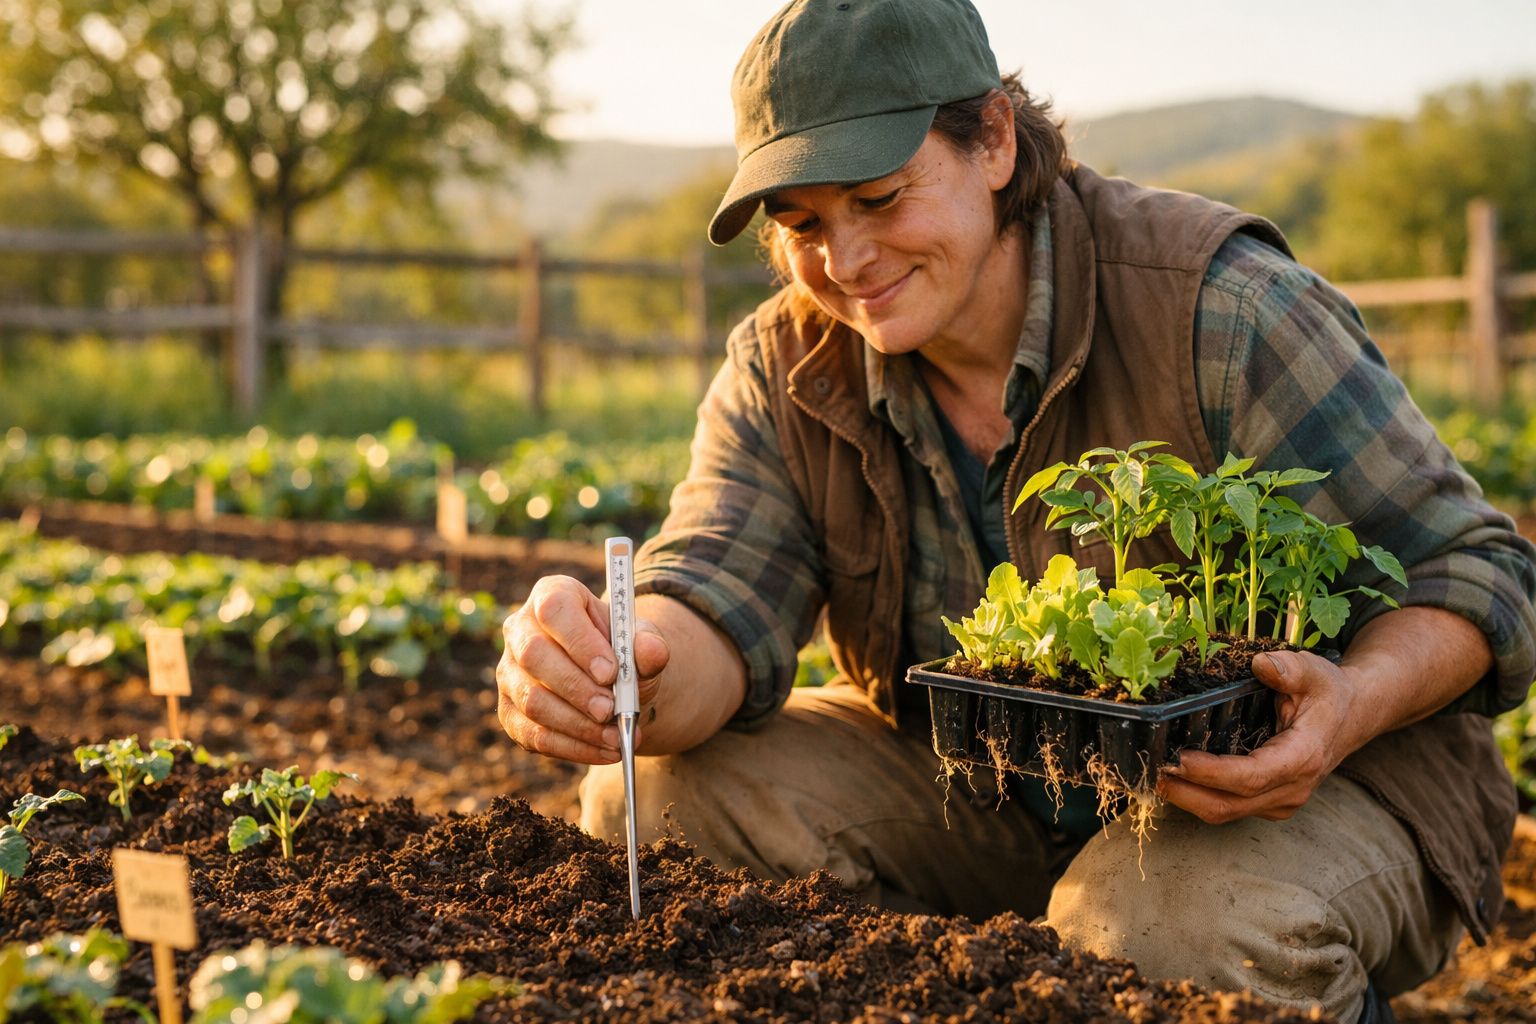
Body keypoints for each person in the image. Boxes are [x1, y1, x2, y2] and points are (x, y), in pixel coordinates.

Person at [494, 2, 1536, 1021]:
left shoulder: (1218, 307)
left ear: (994, 137)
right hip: (991, 797)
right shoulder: (789, 362)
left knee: (1160, 922)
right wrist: (617, 668)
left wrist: (1350, 701)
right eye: (803, 226)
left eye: (881, 197)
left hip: (1315, 788)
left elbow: (1481, 571)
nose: (845, 263)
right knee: (658, 797)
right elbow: (715, 589)